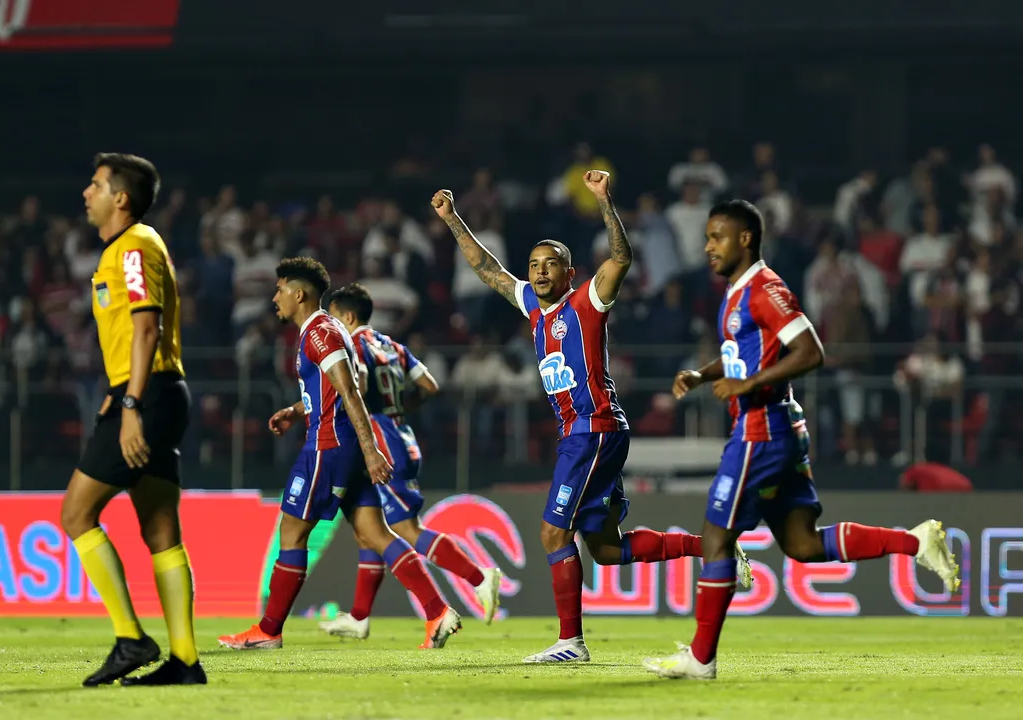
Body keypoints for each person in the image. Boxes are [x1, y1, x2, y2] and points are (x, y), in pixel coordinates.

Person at [433, 171, 753, 665]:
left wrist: (604, 200)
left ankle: (571, 643)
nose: (539, 272)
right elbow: (487, 269)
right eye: (534, 265)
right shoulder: (533, 312)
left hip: (593, 429)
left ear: (568, 274)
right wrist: (453, 218)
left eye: (551, 265)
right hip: (585, 435)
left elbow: (621, 259)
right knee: (606, 549)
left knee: (552, 533)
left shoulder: (586, 303)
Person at [644, 200, 960, 681]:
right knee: (803, 544)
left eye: (717, 236)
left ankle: (701, 659)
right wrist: (704, 374)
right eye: (707, 237)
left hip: (761, 429)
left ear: (745, 239)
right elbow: (745, 355)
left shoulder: (766, 289)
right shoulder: (736, 292)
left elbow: (811, 350)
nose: (708, 246)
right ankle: (915, 541)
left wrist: (748, 386)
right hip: (777, 429)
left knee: (715, 536)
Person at [217, 258, 461, 652]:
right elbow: (346, 385)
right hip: (343, 444)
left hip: (328, 447)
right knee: (375, 533)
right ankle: (437, 612)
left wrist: (372, 450)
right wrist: (299, 410)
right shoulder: (328, 332)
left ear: (300, 294)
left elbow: (351, 393)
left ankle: (268, 630)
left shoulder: (318, 333)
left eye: (280, 290)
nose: (274, 297)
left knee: (292, 533)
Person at [60, 153, 205, 686]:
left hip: (150, 394)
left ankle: (130, 638)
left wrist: (130, 406)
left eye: (95, 184)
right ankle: (185, 661)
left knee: (76, 514)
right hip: (150, 390)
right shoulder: (124, 250)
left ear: (120, 198)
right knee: (160, 528)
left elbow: (146, 329)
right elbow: (133, 339)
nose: (86, 193)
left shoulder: (134, 246)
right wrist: (117, 393)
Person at [320, 283, 503, 642]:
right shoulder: (392, 345)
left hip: (381, 443)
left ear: (349, 316)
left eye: (335, 317)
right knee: (367, 533)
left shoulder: (354, 347)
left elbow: (354, 386)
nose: (332, 325)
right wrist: (399, 411)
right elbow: (430, 384)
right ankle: (358, 617)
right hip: (400, 434)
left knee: (403, 529)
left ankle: (479, 577)